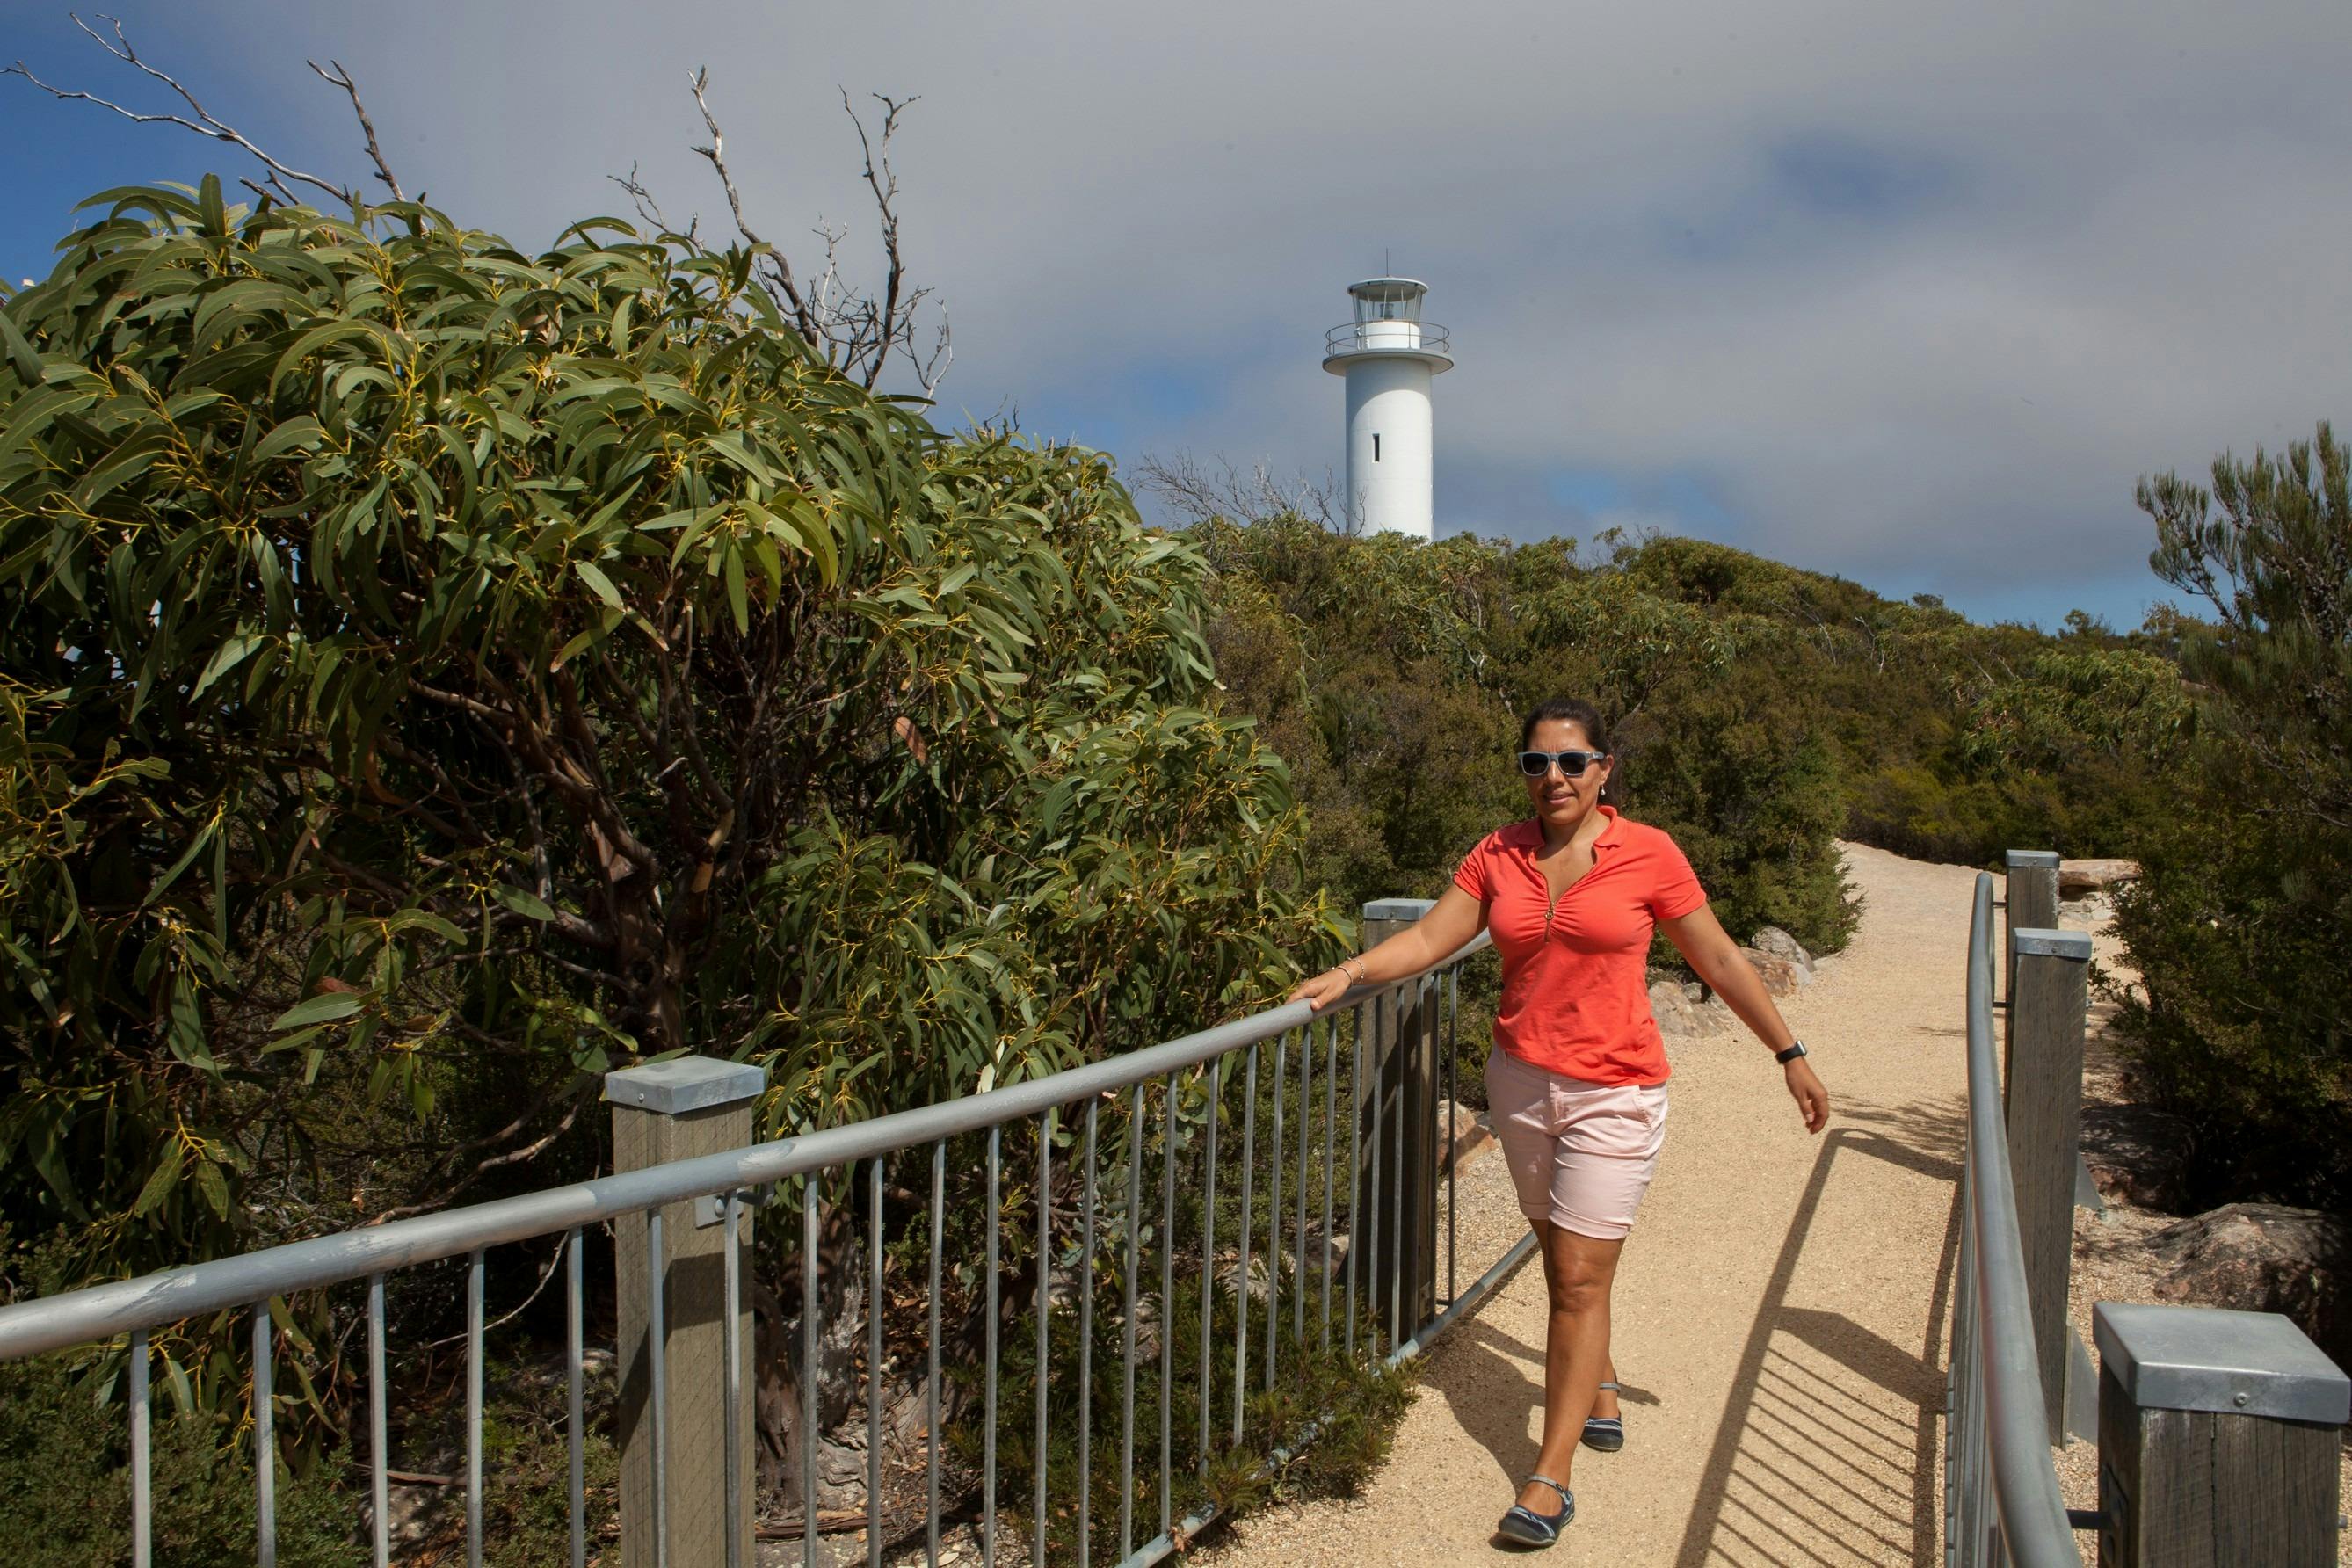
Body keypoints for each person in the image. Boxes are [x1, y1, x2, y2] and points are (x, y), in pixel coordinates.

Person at [1288, 696, 1830, 1550]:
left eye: (1572, 761)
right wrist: (1348, 971)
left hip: (1617, 1091)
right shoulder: (1498, 853)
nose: (1554, 778)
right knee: (1558, 1249)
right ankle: (1599, 1376)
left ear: (1605, 768)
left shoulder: (1647, 853)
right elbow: (1431, 937)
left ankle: (1550, 1474)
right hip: (1520, 1085)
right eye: (1536, 762)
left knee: (1577, 1273)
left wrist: (1789, 1051)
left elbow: (1718, 955)